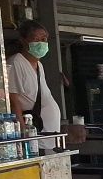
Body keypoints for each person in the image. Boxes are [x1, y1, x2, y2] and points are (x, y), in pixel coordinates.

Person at [7, 20, 62, 152]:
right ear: (24, 40)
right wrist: (23, 138)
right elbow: (14, 102)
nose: (41, 43)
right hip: (35, 140)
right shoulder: (16, 63)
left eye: (44, 39)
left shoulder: (39, 66)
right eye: (36, 39)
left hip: (50, 139)